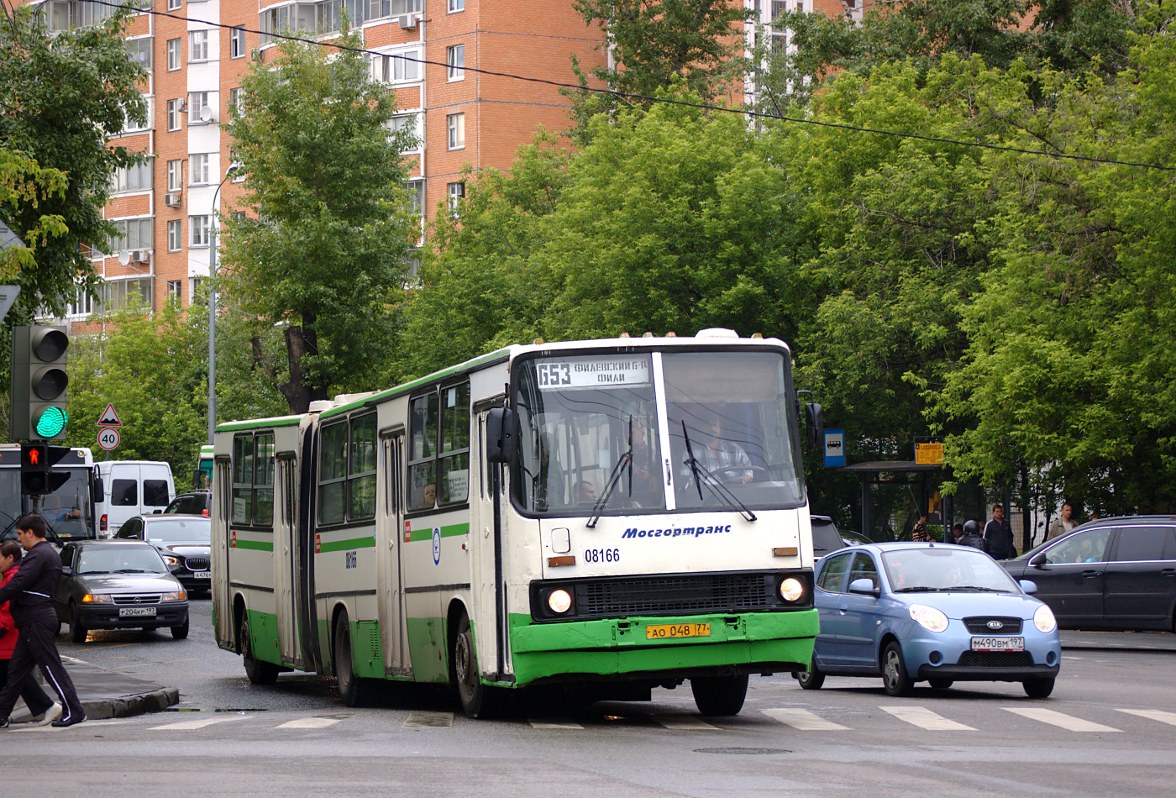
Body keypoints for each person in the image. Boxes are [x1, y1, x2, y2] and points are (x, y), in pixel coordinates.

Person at [0, 514, 86, 729]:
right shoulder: (44, 553)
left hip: (36, 619)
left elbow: (18, 582)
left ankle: (75, 710)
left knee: (51, 667)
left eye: (20, 534)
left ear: (31, 532)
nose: (19, 540)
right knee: (16, 672)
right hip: (32, 620)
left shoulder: (39, 555)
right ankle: (1, 715)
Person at [0, 541, 61, 726]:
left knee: (17, 678)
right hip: (9, 638)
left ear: (10, 558)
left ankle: (47, 705)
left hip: (8, 639)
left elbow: (9, 611)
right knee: (13, 678)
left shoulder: (12, 579)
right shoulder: (10, 576)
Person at [690, 416, 753, 483]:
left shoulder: (735, 450)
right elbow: (687, 482)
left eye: (715, 425)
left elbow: (748, 474)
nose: (712, 428)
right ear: (700, 428)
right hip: (707, 493)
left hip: (735, 492)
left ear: (719, 427)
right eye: (707, 425)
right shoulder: (691, 454)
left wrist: (744, 479)